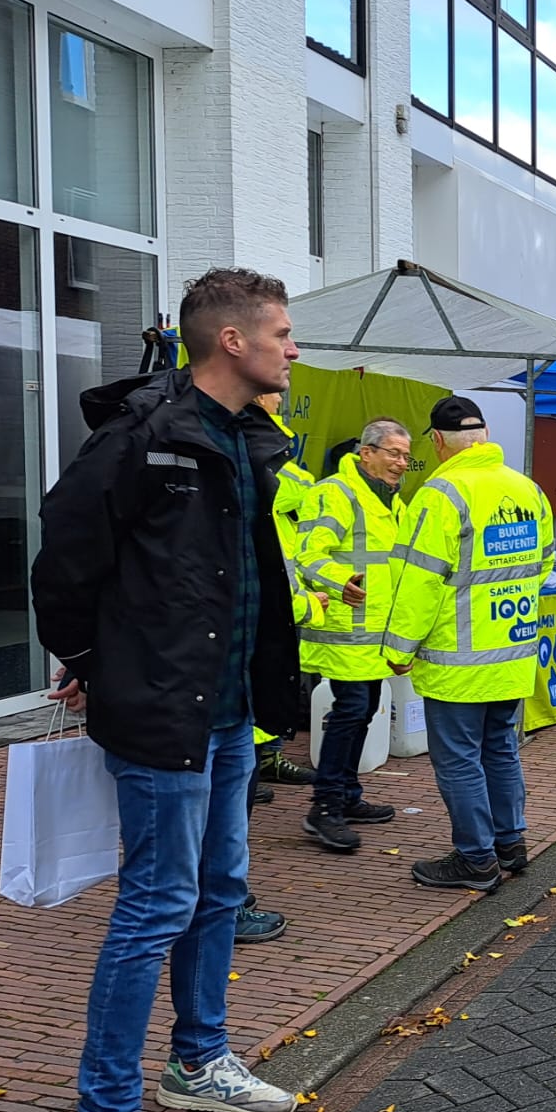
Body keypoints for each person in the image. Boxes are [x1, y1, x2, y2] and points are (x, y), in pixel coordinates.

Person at [33, 268, 302, 1112]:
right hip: (162, 712)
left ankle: (198, 1061)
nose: (291, 349)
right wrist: (89, 656)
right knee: (156, 903)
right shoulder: (146, 437)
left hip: (225, 712)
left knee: (220, 887)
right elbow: (65, 549)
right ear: (231, 342)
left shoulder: (244, 437)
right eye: (280, 333)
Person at [380, 398, 552, 891]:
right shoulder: (527, 489)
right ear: (485, 434)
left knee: (458, 758)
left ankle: (476, 859)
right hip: (512, 654)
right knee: (500, 749)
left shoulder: (440, 494)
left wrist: (398, 648)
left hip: (459, 661)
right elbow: (540, 568)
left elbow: (419, 582)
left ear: (437, 441)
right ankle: (509, 844)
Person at [233, 390, 323, 945]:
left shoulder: (272, 475)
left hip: (230, 671)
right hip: (223, 676)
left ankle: (211, 901)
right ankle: (223, 903)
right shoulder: (263, 475)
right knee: (221, 804)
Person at [297, 419, 412, 852]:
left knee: (365, 710)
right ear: (366, 453)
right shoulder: (335, 493)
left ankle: (346, 796)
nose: (401, 463)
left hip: (375, 635)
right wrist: (341, 580)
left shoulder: (391, 501)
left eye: (405, 455)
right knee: (352, 711)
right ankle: (323, 808)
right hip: (346, 630)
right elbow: (306, 555)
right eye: (393, 453)